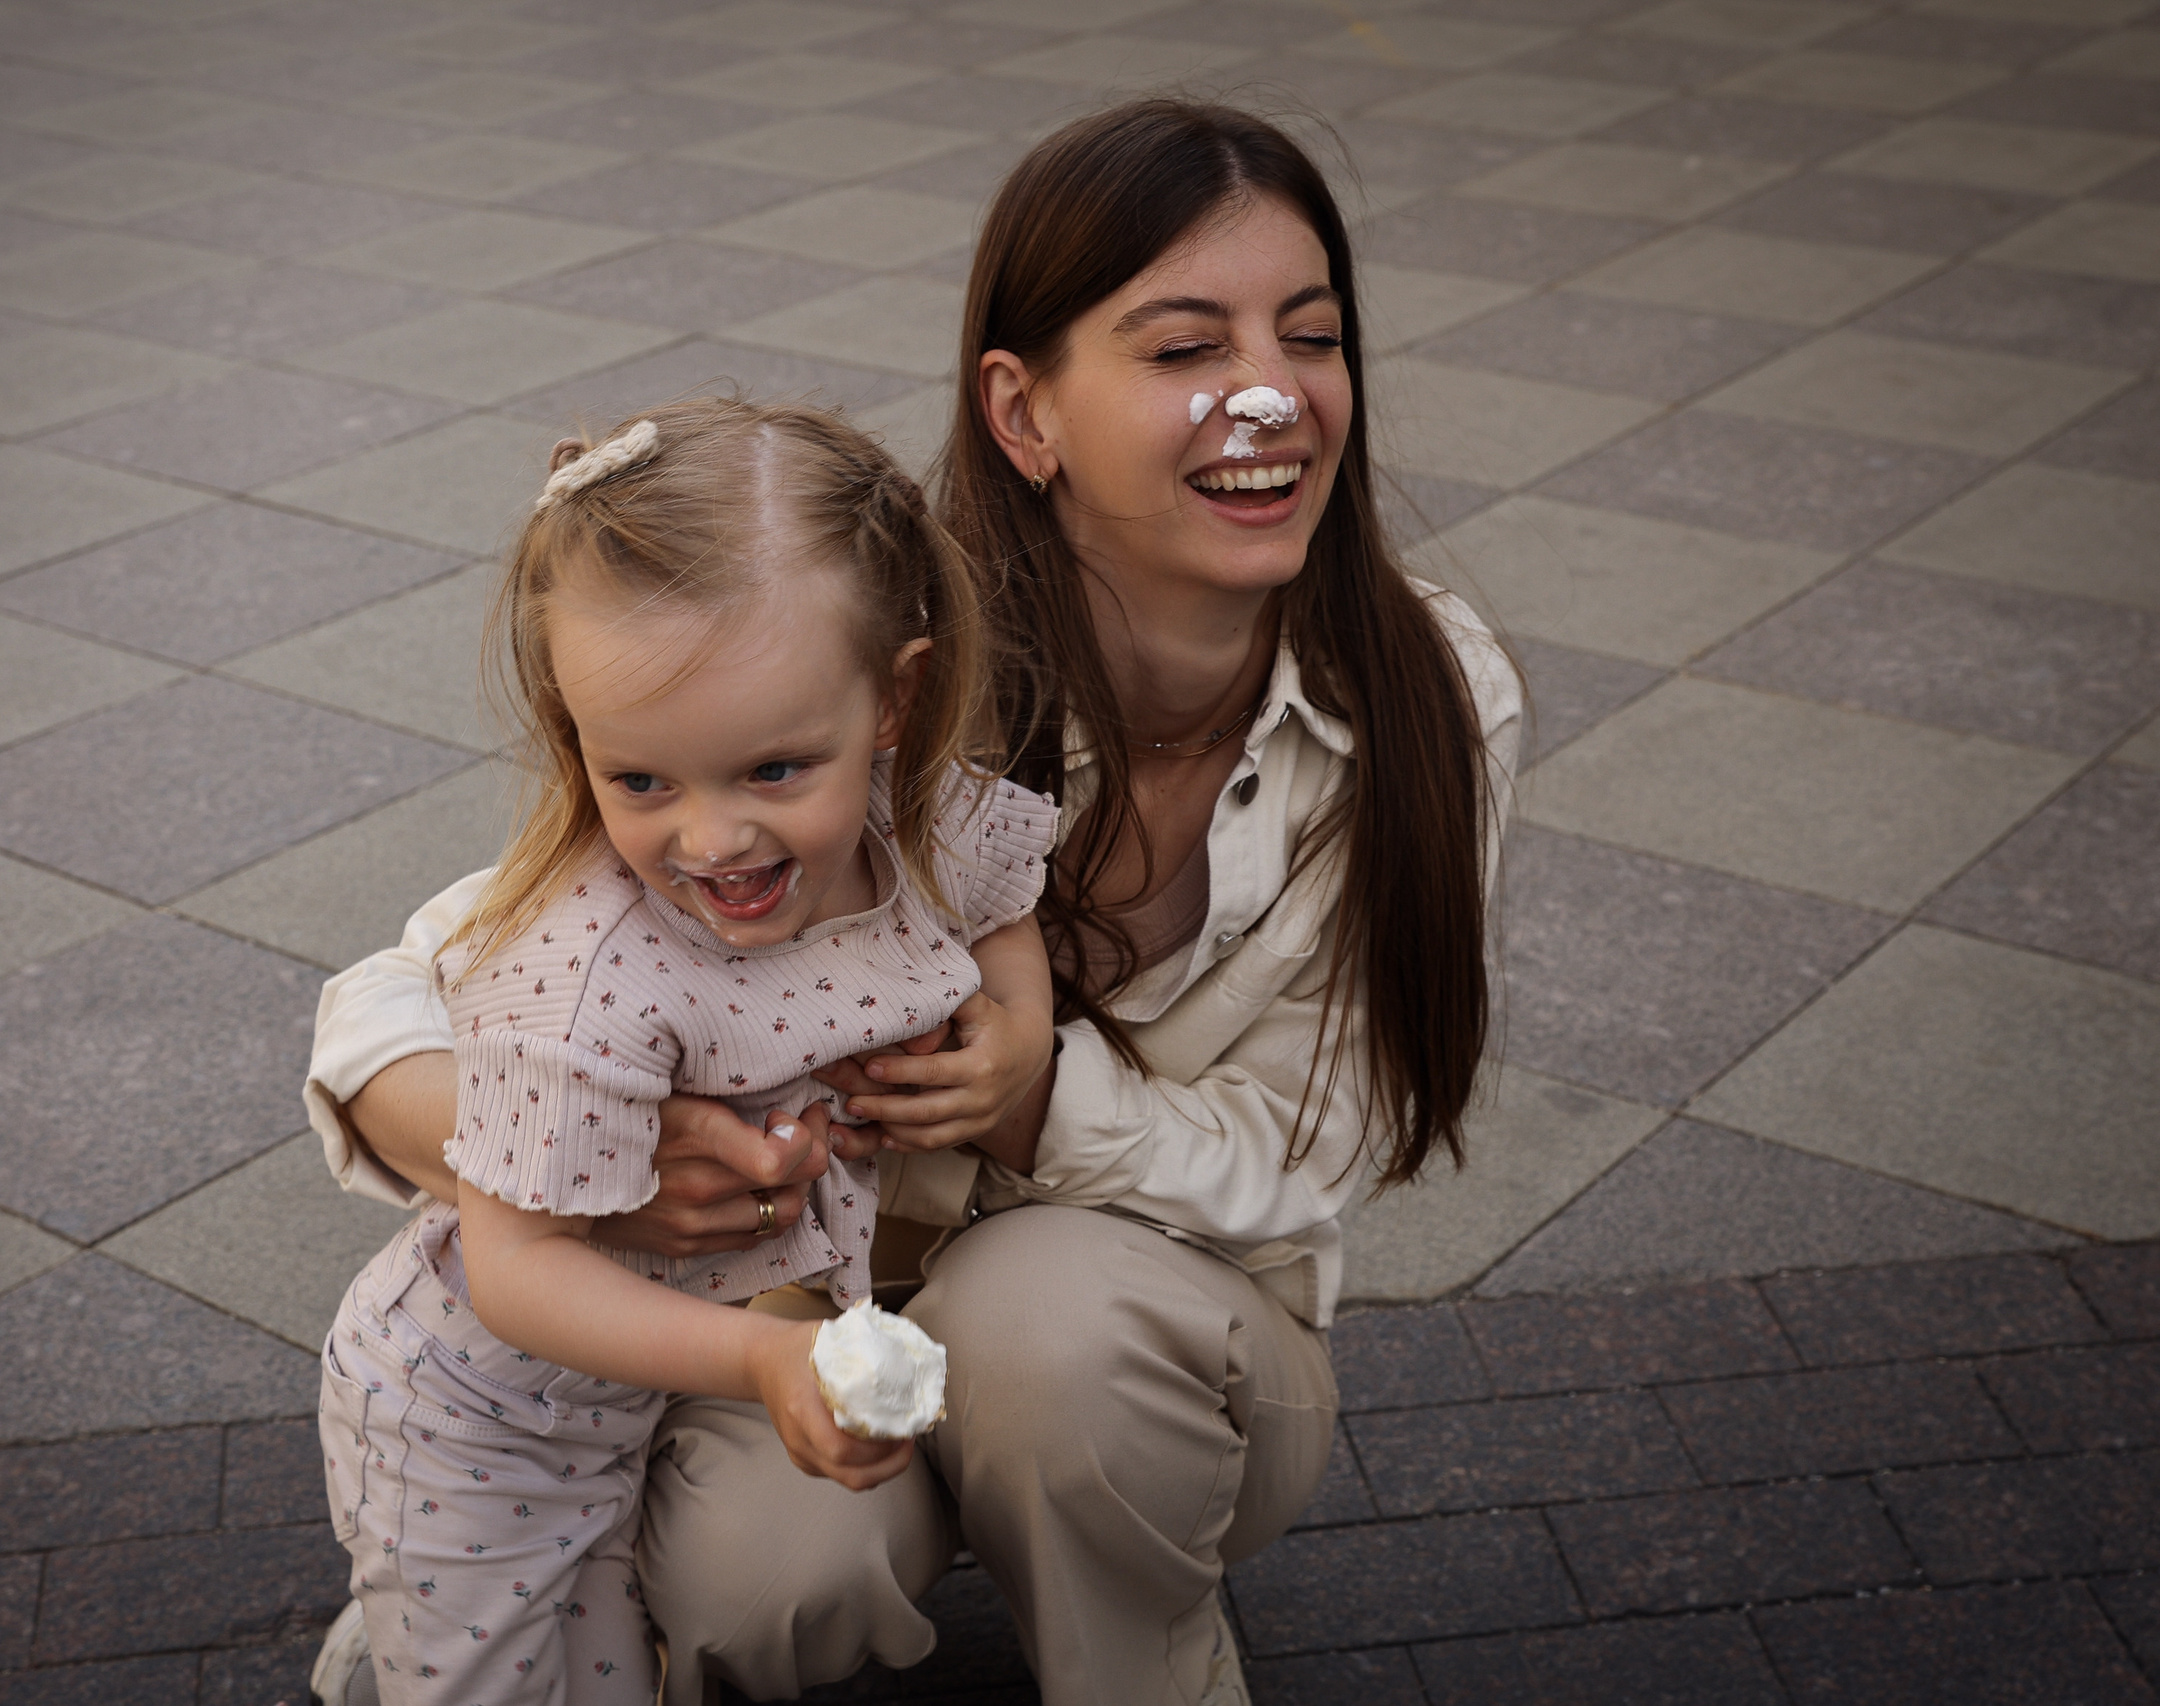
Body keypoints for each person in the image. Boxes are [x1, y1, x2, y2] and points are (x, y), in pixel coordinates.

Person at [308, 99, 1522, 1706]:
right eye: (1181, 346)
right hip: (823, 1323)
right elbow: (428, 975)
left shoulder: (1436, 698)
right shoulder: (870, 656)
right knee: (762, 1576)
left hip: (1166, 1348)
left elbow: (1317, 1151)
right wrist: (570, 1154)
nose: (1268, 392)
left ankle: (1149, 1660)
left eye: (1312, 334)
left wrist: (1034, 1094)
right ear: (1023, 412)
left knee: (1050, 1318)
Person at [312, 396, 1061, 1704]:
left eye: (774, 768)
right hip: (482, 1425)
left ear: (896, 697)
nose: (712, 841)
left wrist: (1017, 1029)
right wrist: (767, 1360)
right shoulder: (596, 969)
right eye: (643, 779)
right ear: (577, 733)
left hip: (637, 1404)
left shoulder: (920, 819)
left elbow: (1002, 904)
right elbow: (517, 1268)